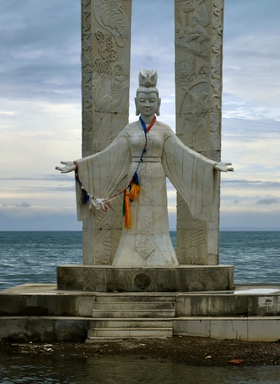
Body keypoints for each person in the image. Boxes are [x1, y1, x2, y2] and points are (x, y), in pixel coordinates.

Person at [57, 70, 232, 267]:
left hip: (157, 176)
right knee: (133, 218)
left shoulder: (164, 130)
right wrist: (78, 165)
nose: (147, 104)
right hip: (134, 179)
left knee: (157, 219)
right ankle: (128, 255)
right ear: (136, 103)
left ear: (158, 104)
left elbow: (185, 154)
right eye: (143, 100)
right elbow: (108, 154)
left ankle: (162, 255)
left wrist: (212, 165)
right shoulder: (129, 130)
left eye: (151, 100)